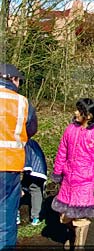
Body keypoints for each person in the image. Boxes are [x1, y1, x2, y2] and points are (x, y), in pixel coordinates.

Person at [51, 98, 94, 249]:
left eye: (79, 110)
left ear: (89, 115)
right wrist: (57, 172)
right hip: (68, 180)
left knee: (81, 218)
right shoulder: (70, 129)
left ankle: (79, 246)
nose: (75, 113)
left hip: (86, 183)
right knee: (65, 216)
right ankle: (71, 238)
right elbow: (61, 152)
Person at [0, 63, 38, 249]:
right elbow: (31, 129)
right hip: (10, 165)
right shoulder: (22, 102)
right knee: (6, 214)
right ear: (13, 80)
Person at [22, 139, 47, 226]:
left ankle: (34, 216)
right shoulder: (31, 143)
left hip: (32, 169)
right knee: (34, 189)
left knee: (33, 188)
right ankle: (35, 217)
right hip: (37, 168)